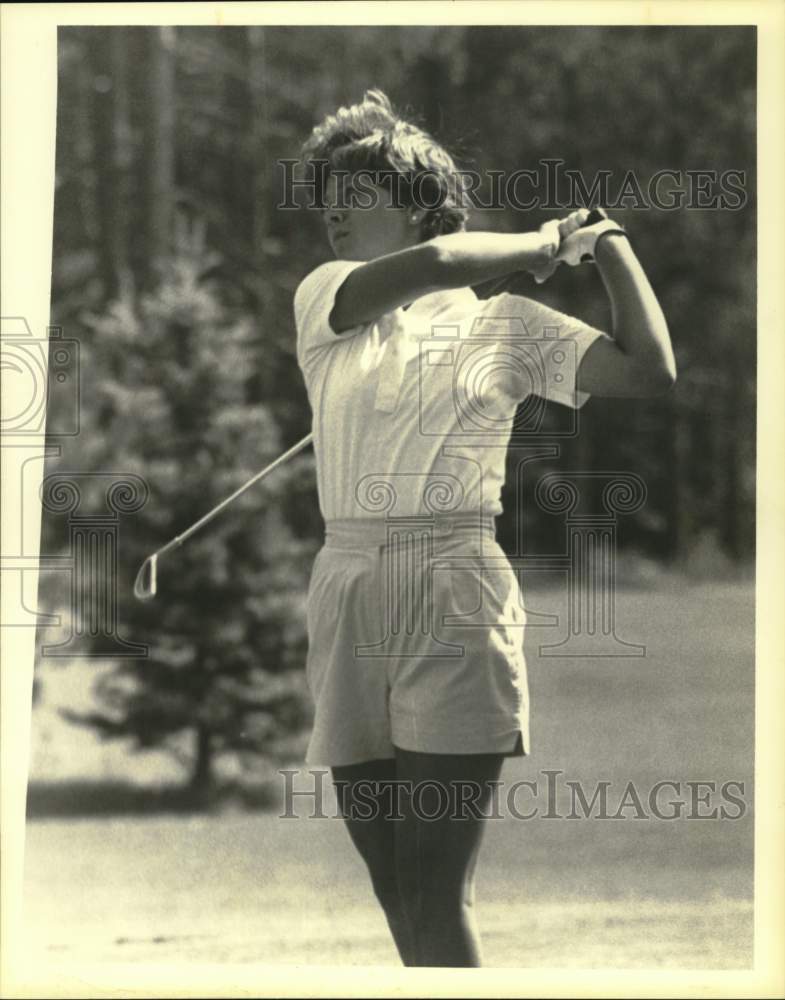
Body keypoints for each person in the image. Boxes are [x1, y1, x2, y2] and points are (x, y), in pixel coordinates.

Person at [292, 90, 675, 968]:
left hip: (453, 585)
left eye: (358, 194)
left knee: (434, 887)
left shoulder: (505, 325)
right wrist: (545, 244)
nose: (333, 213)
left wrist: (607, 243)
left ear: (420, 199)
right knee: (393, 882)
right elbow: (436, 260)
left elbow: (649, 372)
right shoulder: (327, 300)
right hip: (346, 584)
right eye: (326, 198)